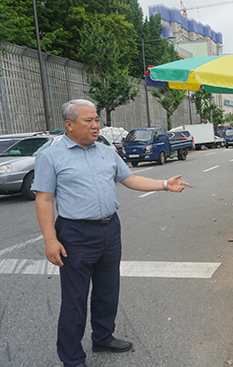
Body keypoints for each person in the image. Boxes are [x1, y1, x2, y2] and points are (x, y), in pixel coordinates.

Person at [32, 99, 190, 367]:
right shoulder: (50, 156)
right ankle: (71, 358)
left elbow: (130, 179)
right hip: (75, 234)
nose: (96, 126)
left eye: (97, 120)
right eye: (88, 120)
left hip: (109, 229)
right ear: (69, 125)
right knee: (75, 299)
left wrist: (164, 184)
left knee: (108, 289)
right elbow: (44, 200)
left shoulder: (106, 151)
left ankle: (103, 337)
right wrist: (50, 240)